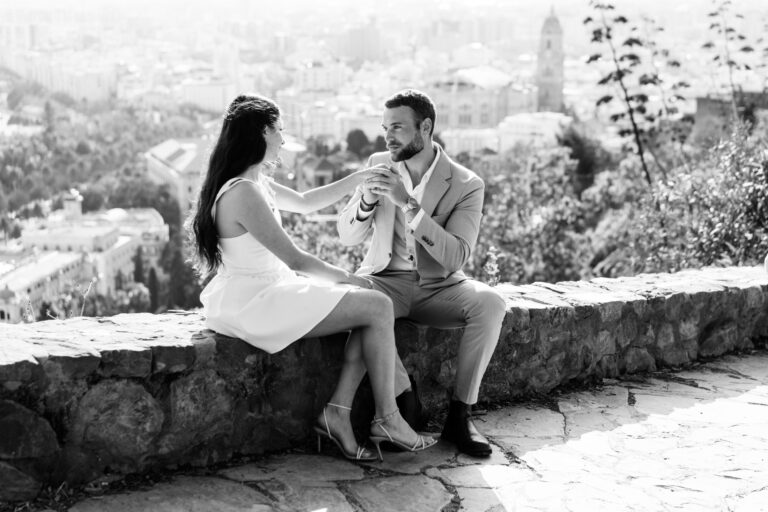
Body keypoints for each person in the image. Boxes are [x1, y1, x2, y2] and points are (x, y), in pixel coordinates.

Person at [187, 94, 436, 461]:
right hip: (259, 302)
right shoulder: (242, 193)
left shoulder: (253, 182)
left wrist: (358, 179)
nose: (284, 141)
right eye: (280, 132)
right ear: (261, 133)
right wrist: (349, 278)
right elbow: (296, 260)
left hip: (269, 291)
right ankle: (386, 418)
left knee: (371, 311)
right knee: (376, 304)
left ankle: (341, 413)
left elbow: (305, 201)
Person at [337, 89, 507, 458]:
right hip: (383, 281)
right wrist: (367, 201)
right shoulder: (378, 162)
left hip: (438, 287)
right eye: (385, 127)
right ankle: (402, 397)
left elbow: (456, 256)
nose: (388, 135)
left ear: (425, 127)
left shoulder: (466, 184)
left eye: (397, 127)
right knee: (357, 299)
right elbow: (347, 235)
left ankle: (461, 416)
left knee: (491, 303)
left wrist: (408, 206)